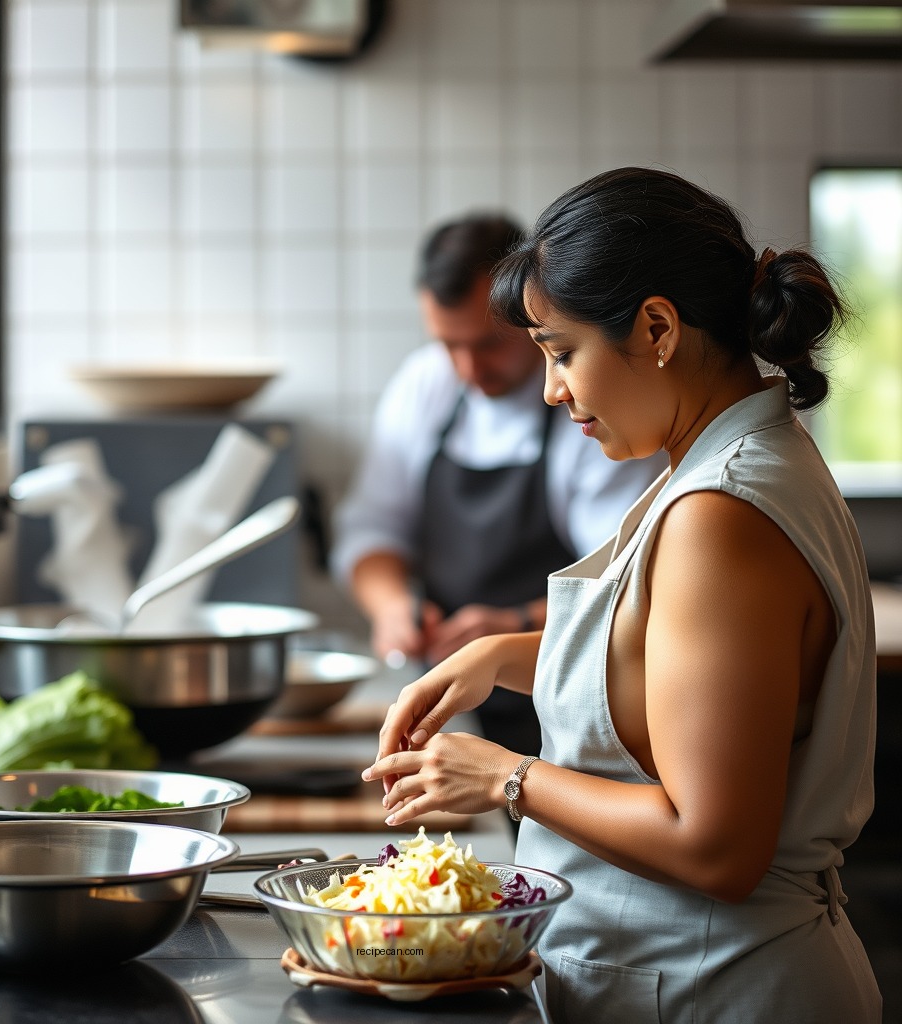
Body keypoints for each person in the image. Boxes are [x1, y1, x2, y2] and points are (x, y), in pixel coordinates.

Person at [361, 168, 881, 1023]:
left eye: (562, 353)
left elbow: (713, 845)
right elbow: (675, 678)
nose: (552, 390)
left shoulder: (721, 511)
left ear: (657, 327)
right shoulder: (726, 460)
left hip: (722, 990)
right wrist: (502, 657)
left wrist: (507, 777)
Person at [332, 212, 664, 757]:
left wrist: (510, 626)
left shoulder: (591, 408)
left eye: (487, 344)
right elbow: (371, 527)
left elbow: (621, 579)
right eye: (448, 345)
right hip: (447, 702)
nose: (467, 367)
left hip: (563, 693)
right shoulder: (425, 385)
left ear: (531, 314)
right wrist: (392, 607)